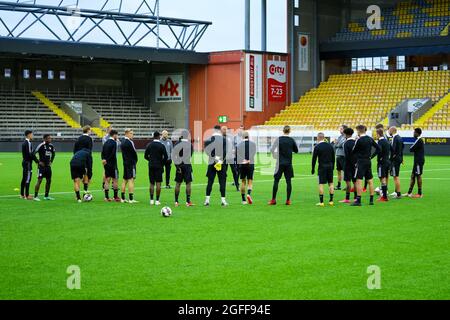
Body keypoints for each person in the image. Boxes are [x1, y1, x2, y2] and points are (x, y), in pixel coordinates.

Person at [268, 125, 299, 205]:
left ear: (283, 131)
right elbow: (296, 150)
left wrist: (275, 156)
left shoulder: (279, 139)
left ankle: (273, 200)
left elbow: (271, 150)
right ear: (290, 131)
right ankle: (288, 200)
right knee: (288, 181)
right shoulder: (291, 140)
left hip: (279, 163)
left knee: (276, 181)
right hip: (288, 163)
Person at [350, 125, 380, 206]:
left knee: (359, 181)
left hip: (361, 162)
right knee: (370, 181)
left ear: (359, 131)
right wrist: (371, 156)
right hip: (368, 161)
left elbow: (353, 151)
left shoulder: (359, 140)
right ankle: (371, 200)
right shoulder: (370, 139)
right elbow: (378, 148)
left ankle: (358, 200)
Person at [204, 125, 230, 207]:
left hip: (211, 163)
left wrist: (214, 158)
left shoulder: (208, 140)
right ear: (219, 131)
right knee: (222, 181)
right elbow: (225, 152)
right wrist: (220, 159)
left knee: (210, 182)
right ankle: (223, 201)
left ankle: (207, 200)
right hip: (221, 163)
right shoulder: (224, 140)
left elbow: (207, 151)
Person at [144, 131, 168, 206]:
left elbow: (145, 156)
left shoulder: (149, 145)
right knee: (158, 183)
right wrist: (162, 163)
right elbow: (166, 157)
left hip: (151, 166)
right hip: (159, 166)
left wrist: (150, 160)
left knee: (151, 183)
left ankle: (151, 200)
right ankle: (157, 200)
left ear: (153, 136)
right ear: (159, 136)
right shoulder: (162, 145)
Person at [312, 133, 335, 207]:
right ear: (324, 137)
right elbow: (333, 157)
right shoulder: (330, 146)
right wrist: (333, 167)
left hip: (322, 167)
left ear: (318, 138)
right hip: (330, 166)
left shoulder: (317, 146)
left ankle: (321, 202)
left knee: (321, 184)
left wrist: (312, 168)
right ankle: (331, 201)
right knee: (331, 183)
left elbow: (314, 159)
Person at [172, 130, 194, 207]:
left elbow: (173, 156)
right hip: (187, 165)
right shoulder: (189, 144)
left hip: (179, 166)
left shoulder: (177, 144)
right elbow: (191, 155)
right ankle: (188, 202)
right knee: (188, 183)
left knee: (178, 183)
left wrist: (177, 166)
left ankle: (176, 201)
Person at [33, 134, 56, 201]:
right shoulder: (41, 145)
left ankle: (46, 196)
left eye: (50, 138)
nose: (50, 139)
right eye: (48, 138)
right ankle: (35, 196)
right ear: (44, 139)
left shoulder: (51, 146)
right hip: (41, 167)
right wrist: (38, 162)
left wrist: (51, 161)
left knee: (49, 181)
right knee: (39, 180)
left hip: (48, 167)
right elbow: (33, 154)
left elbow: (54, 154)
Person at [236, 131, 256, 205]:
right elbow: (253, 153)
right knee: (250, 181)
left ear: (242, 137)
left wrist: (243, 160)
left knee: (243, 181)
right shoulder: (253, 144)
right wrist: (249, 160)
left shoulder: (239, 145)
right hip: (250, 163)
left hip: (242, 164)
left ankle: (243, 200)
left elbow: (237, 155)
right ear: (248, 136)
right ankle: (249, 194)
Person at [404, 128, 425, 198]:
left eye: (414, 132)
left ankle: (420, 193)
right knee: (413, 176)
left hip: (419, 161)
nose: (413, 133)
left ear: (417, 133)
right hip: (417, 161)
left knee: (418, 175)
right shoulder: (419, 140)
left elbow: (411, 148)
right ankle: (409, 192)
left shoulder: (419, 140)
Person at [102, 129, 120, 202]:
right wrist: (108, 160)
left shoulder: (106, 142)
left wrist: (104, 159)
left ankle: (106, 197)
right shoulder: (114, 143)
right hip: (112, 164)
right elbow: (113, 154)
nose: (117, 136)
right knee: (115, 180)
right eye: (117, 135)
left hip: (106, 164)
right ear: (114, 135)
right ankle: (115, 197)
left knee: (107, 180)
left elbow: (102, 152)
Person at [120, 129, 138, 203]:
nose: (132, 135)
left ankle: (123, 198)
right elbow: (134, 153)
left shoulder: (122, 142)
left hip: (125, 162)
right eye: (131, 133)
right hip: (131, 163)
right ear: (126, 133)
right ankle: (131, 199)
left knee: (124, 180)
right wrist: (135, 161)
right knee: (131, 180)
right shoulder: (130, 142)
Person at [340, 127, 357, 203]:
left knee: (348, 181)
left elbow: (346, 155)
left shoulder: (345, 143)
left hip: (348, 164)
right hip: (355, 164)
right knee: (355, 181)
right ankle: (356, 197)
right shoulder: (356, 141)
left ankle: (347, 198)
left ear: (345, 134)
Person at [20, 130, 39, 200]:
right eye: (32, 134)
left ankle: (22, 194)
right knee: (28, 179)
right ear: (28, 135)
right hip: (28, 163)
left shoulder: (26, 143)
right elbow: (30, 154)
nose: (32, 136)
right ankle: (27, 195)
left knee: (24, 178)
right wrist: (37, 161)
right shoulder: (28, 143)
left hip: (25, 162)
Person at [376, 128, 391, 202]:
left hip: (382, 163)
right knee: (384, 177)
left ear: (378, 134)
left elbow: (379, 150)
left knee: (382, 178)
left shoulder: (380, 141)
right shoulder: (386, 141)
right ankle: (384, 194)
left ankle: (384, 197)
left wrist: (371, 157)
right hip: (387, 161)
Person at [388, 126, 404, 198]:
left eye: (389, 130)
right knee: (396, 176)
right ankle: (397, 192)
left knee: (395, 176)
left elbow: (393, 150)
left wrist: (391, 158)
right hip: (399, 159)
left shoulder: (394, 138)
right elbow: (402, 148)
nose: (388, 132)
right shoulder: (400, 138)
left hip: (395, 160)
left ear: (392, 130)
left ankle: (398, 194)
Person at [334, 125, 347, 190]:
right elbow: (335, 144)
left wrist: (337, 143)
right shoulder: (340, 137)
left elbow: (340, 144)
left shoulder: (345, 137)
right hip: (338, 156)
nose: (340, 130)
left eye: (341, 129)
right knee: (338, 171)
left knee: (345, 171)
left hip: (343, 156)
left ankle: (347, 185)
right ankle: (339, 185)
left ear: (344, 129)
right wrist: (336, 143)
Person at [231, 126, 244, 191]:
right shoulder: (235, 137)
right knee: (236, 169)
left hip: (241, 155)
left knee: (240, 169)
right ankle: (235, 181)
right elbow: (232, 144)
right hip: (235, 155)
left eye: (242, 129)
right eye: (240, 129)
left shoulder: (244, 137)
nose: (241, 130)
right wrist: (233, 151)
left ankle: (239, 181)